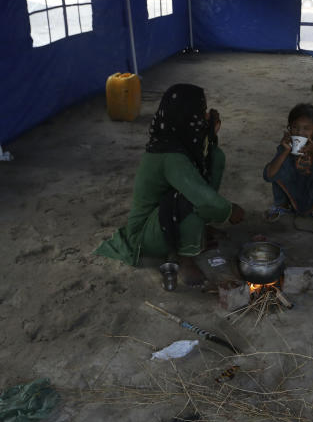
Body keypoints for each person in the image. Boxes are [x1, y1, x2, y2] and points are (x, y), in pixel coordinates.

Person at [95, 84, 244, 285]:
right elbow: (201, 196)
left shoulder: (177, 139)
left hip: (163, 219)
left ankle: (199, 229)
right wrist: (230, 211)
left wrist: (211, 134)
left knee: (214, 158)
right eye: (201, 112)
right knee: (192, 199)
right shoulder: (170, 155)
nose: (206, 116)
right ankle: (184, 257)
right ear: (187, 116)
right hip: (145, 234)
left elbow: (205, 161)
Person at [263, 103, 313, 231]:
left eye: (306, 128)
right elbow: (268, 176)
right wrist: (284, 152)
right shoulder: (285, 147)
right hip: (294, 190)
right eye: (295, 127)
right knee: (276, 169)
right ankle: (282, 206)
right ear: (289, 128)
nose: (300, 132)